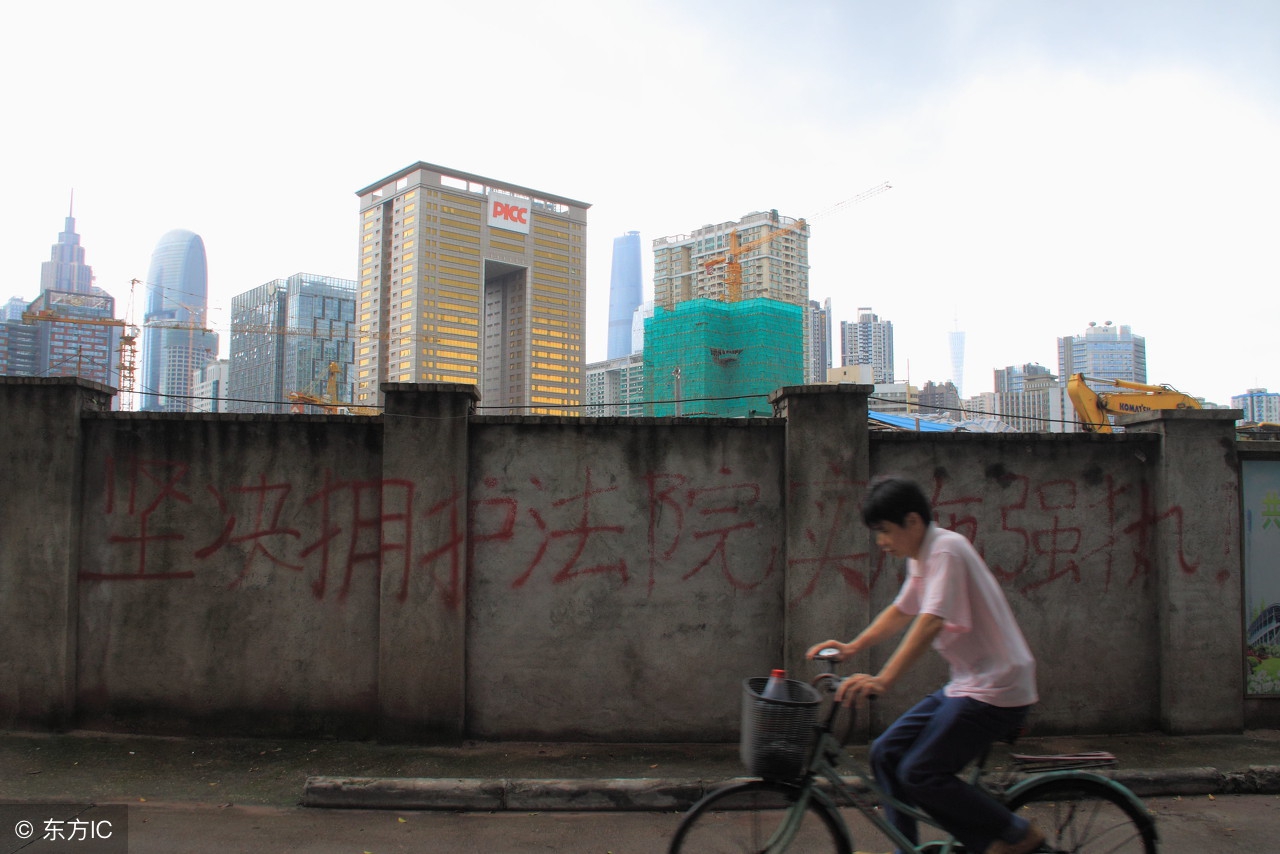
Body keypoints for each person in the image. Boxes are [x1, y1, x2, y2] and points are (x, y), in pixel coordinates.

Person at [806, 475, 1043, 854]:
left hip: (998, 688)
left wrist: (883, 680)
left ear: (913, 521)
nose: (881, 542)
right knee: (885, 753)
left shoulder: (946, 551)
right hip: (968, 684)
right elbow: (903, 610)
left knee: (919, 772)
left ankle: (1014, 833)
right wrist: (853, 647)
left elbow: (930, 621)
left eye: (885, 531)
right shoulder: (923, 557)